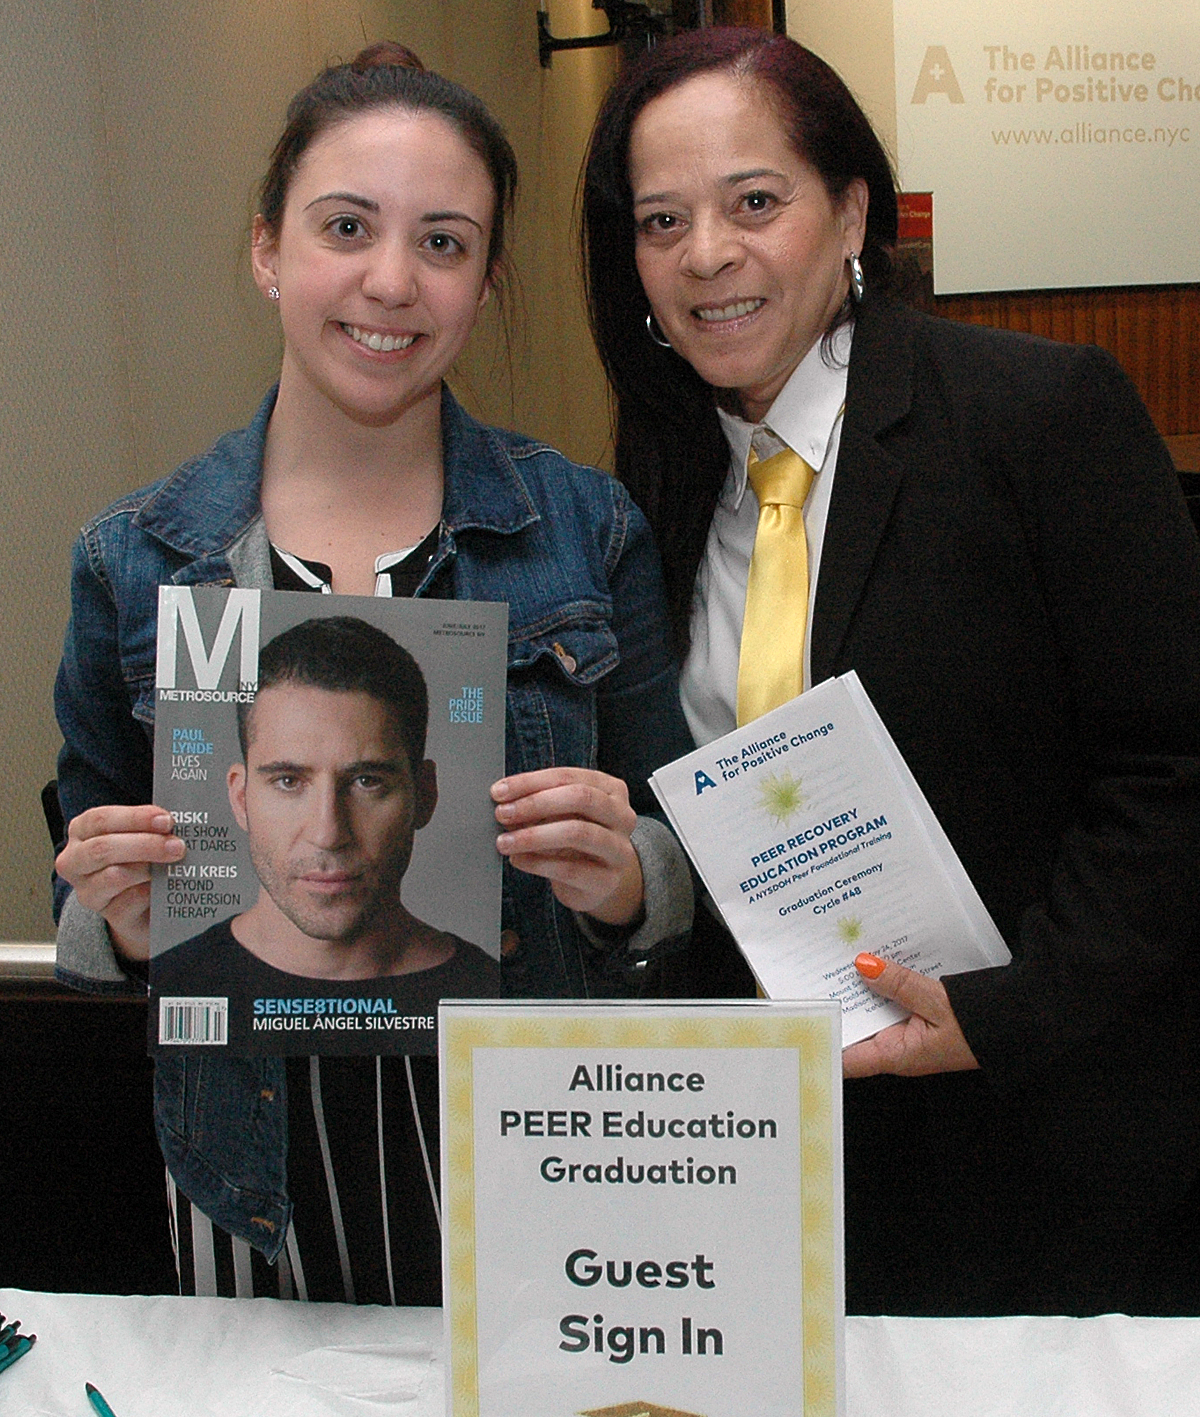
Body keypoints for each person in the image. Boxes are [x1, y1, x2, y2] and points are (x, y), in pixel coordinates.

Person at [53, 43, 693, 1304]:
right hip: (245, 1188)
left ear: (487, 279)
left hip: (546, 1178)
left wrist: (629, 880)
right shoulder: (137, 564)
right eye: (348, 226)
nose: (392, 282)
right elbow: (84, 900)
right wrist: (118, 918)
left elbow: (681, 865)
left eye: (444, 243)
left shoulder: (585, 529)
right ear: (267, 250)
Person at [582, 27, 1200, 1314]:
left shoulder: (1038, 414)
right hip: (776, 1147)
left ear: (851, 209)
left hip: (1037, 1140)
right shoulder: (660, 475)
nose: (707, 255)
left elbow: (1173, 768)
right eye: (662, 220)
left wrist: (1013, 1010)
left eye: (756, 202)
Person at [154, 615, 499, 1010]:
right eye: (288, 781)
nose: (328, 832)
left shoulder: (489, 992)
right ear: (240, 797)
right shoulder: (175, 983)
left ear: (425, 794)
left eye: (367, 781)